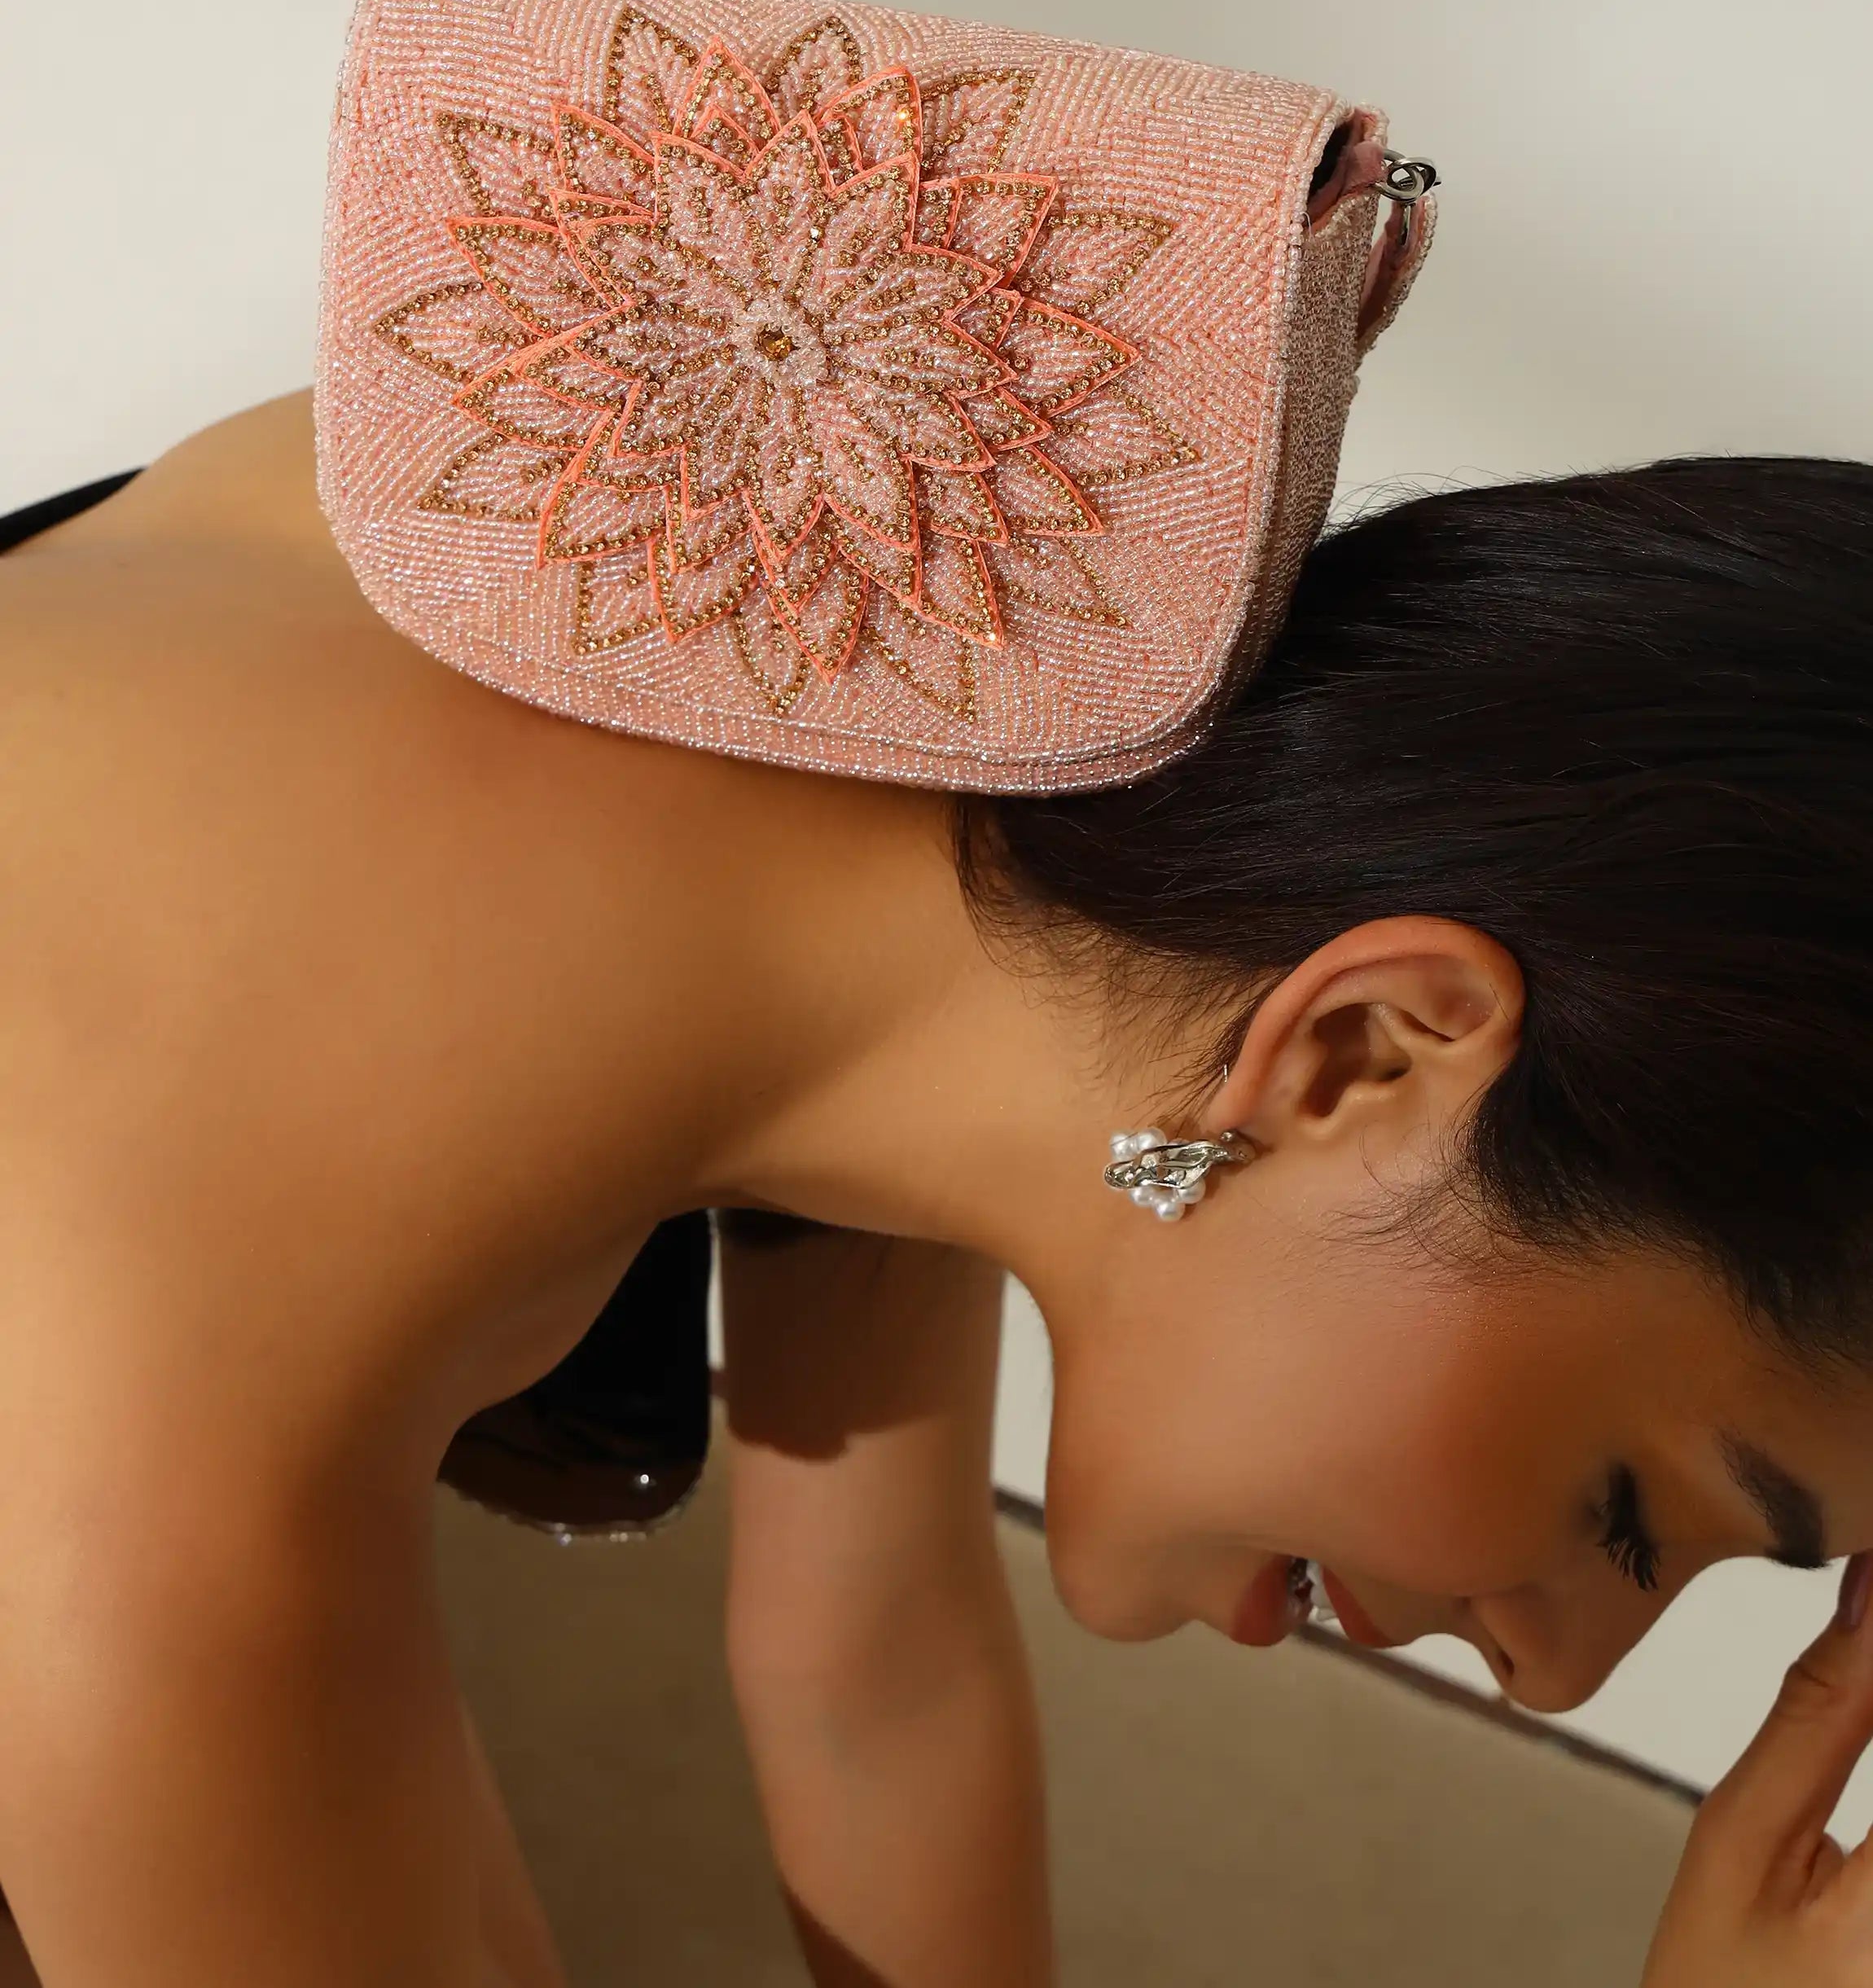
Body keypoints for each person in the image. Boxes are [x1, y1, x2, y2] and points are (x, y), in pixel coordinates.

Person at [0, 384, 1870, 1988]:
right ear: (1365, 1052)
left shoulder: (865, 704)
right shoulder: (165, 1404)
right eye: (1627, 1511)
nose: (1560, 1674)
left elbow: (866, 1664)